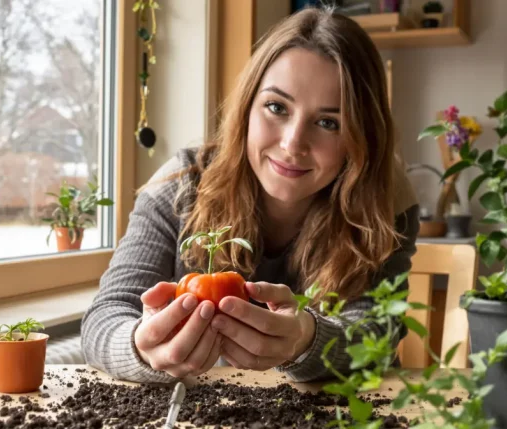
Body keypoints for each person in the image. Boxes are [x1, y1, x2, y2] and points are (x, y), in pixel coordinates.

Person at [80, 5, 419, 384]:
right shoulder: (179, 185)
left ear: (363, 136)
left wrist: (307, 340)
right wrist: (141, 348)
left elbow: (378, 333)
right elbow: (105, 317)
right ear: (246, 108)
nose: (293, 144)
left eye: (328, 122)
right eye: (277, 107)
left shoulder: (386, 201)